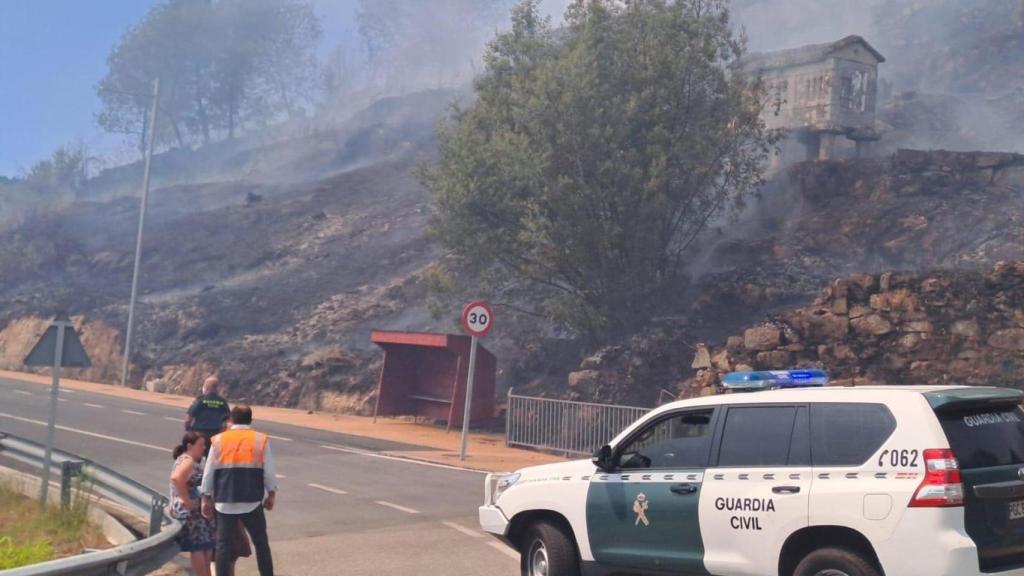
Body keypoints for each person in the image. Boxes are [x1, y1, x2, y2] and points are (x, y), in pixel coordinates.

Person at [201, 405, 277, 576]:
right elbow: (269, 472)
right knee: (261, 543)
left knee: (222, 546)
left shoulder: (218, 440)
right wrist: (271, 494)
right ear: (251, 420)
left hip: (224, 502)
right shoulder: (260, 440)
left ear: (231, 419)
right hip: (252, 501)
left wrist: (205, 497)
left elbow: (209, 472)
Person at [169, 432, 215, 576]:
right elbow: (176, 478)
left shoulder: (195, 461)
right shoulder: (187, 460)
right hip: (190, 512)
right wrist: (187, 500)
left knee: (206, 547)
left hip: (197, 512)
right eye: (201, 445)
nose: (204, 448)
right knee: (198, 547)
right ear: (189, 446)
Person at [185, 376, 230, 451]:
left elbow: (188, 418)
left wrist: (188, 428)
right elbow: (228, 419)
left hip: (200, 433)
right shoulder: (222, 402)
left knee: (196, 454)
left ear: (207, 387)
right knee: (212, 455)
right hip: (216, 434)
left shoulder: (200, 400)